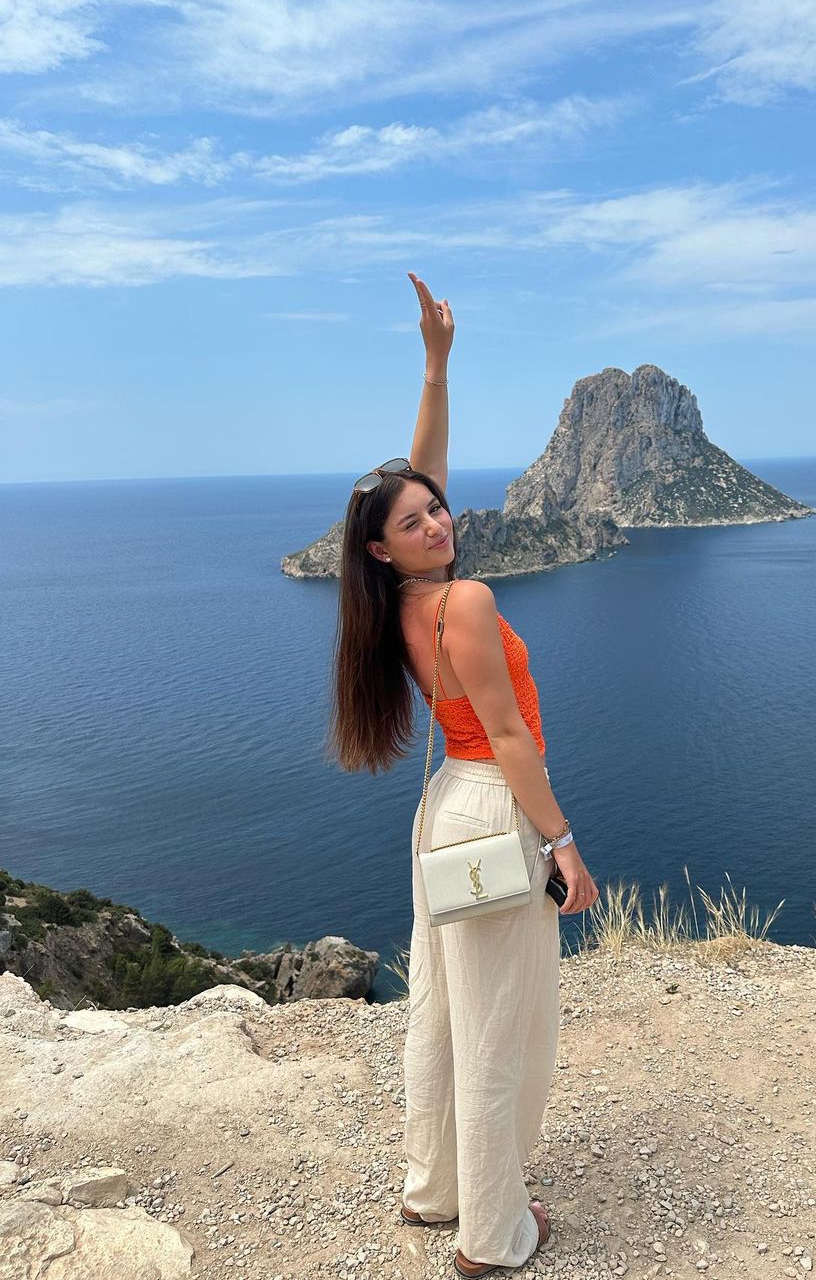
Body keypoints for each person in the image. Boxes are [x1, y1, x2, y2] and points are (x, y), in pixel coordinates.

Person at [326, 272, 600, 1277]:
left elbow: (418, 481)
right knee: (499, 1024)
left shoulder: (399, 604)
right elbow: (511, 736)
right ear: (381, 547)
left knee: (445, 1006)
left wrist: (436, 366)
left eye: (436, 511)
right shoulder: (466, 602)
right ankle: (492, 1235)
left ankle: (434, 1187)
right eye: (415, 523)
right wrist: (564, 847)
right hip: (493, 805)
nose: (438, 521)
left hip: (447, 810)